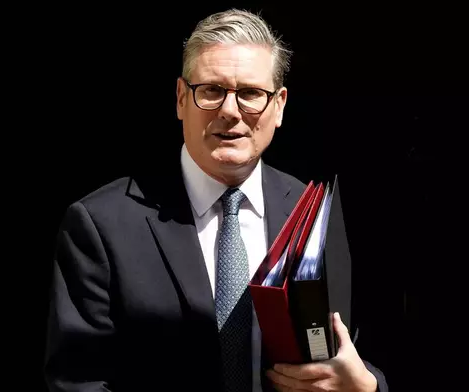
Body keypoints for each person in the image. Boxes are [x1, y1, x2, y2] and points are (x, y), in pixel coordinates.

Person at [44, 8, 388, 392]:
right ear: (180, 99)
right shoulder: (100, 224)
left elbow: (351, 351)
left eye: (251, 94)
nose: (229, 111)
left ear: (279, 106)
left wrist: (367, 387)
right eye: (211, 90)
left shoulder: (312, 213)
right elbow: (77, 383)